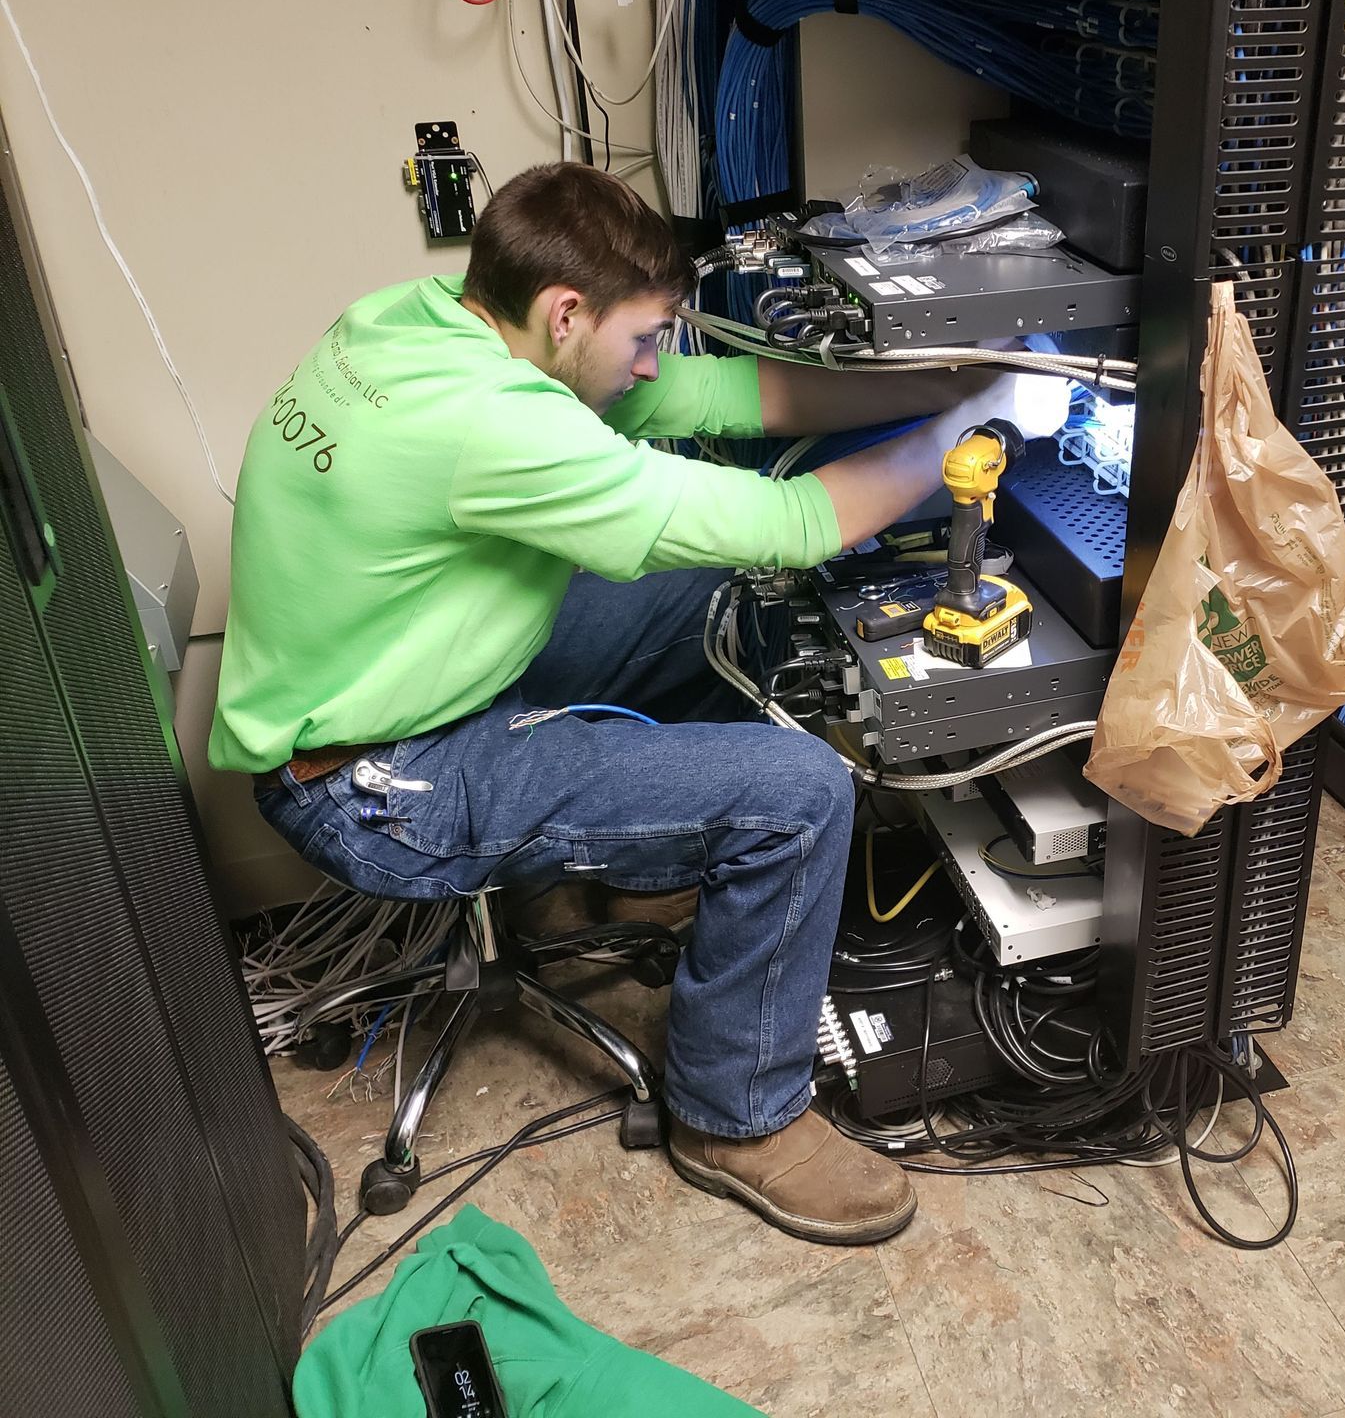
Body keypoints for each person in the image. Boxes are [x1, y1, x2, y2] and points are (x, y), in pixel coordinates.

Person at [210, 162, 1066, 1244]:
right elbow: (794, 523)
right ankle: (735, 1116)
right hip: (382, 784)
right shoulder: (496, 426)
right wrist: (967, 438)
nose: (655, 361)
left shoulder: (421, 320)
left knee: (716, 602)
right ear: (567, 314)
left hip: (395, 680)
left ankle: (665, 877)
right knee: (800, 795)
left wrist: (951, 384)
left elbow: (730, 397)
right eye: (645, 337)